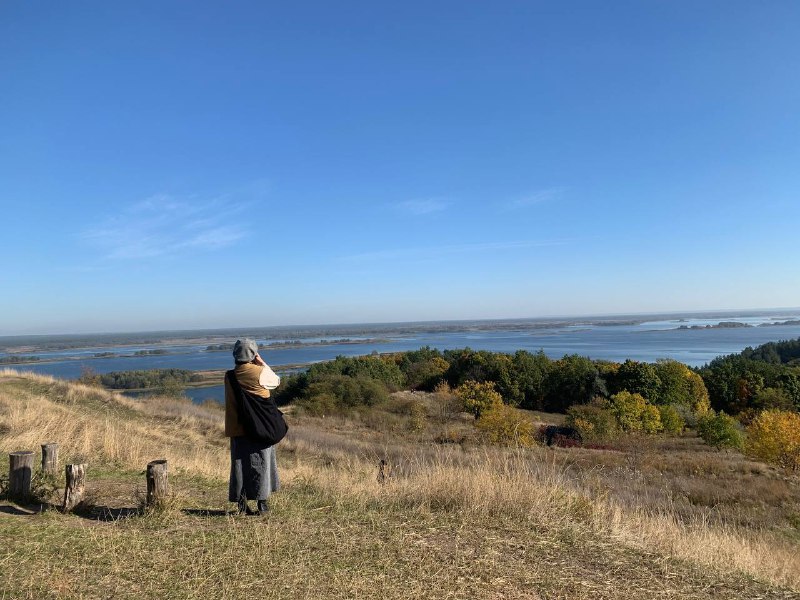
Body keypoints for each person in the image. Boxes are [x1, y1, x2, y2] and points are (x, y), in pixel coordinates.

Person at [225, 338, 281, 515]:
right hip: (260, 427)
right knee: (262, 464)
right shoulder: (260, 372)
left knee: (240, 466)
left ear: (235, 354)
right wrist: (262, 362)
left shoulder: (230, 376)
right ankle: (262, 504)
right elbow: (276, 381)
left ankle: (241, 505)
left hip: (238, 428)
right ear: (253, 354)